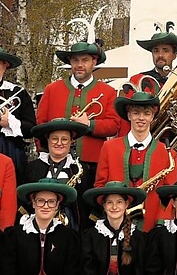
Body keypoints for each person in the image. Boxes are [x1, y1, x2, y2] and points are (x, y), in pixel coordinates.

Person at [35, 40, 122, 193]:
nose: (80, 65)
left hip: (92, 163)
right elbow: (40, 124)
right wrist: (43, 153)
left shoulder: (108, 91)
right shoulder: (52, 89)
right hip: (54, 161)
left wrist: (90, 124)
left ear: (94, 62)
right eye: (75, 60)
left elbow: (114, 125)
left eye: (85, 60)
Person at [94, 84, 177, 224]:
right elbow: (100, 186)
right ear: (128, 115)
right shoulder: (109, 147)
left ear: (153, 117)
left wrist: (160, 225)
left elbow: (169, 196)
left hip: (151, 226)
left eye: (146, 113)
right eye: (136, 113)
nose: (141, 118)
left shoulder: (168, 153)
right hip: (116, 223)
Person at [19, 119, 89, 197]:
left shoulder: (80, 169)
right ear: (47, 140)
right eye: (54, 139)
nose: (59, 143)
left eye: (64, 139)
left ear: (71, 141)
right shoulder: (31, 168)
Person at [134, 22, 177, 88]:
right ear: (152, 54)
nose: (160, 55)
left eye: (165, 50)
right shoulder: (138, 80)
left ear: (174, 55)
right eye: (156, 51)